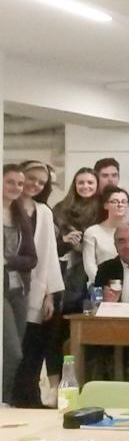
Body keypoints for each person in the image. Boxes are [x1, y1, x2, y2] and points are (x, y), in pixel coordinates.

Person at [12, 161, 64, 408]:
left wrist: (50, 295)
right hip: (10, 289)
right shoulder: (7, 207)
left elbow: (49, 255)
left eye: (41, 182)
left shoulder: (43, 211)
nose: (34, 185)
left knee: (33, 348)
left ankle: (29, 399)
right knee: (13, 349)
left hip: (36, 288)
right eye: (31, 178)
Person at [2, 164, 37, 404]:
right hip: (1, 291)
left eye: (20, 183)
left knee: (16, 354)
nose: (16, 187)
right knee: (12, 351)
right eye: (10, 181)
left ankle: (5, 400)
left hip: (19, 290)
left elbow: (32, 259)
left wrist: (8, 260)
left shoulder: (20, 215)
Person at [52, 167, 101, 313]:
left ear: (97, 185)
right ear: (75, 185)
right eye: (81, 183)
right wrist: (66, 241)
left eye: (90, 182)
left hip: (98, 263)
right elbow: (51, 245)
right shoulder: (61, 208)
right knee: (70, 308)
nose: (86, 186)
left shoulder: (104, 208)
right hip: (69, 267)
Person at [82, 187, 129, 285]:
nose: (120, 205)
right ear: (106, 205)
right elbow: (89, 264)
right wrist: (102, 282)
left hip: (128, 284)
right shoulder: (92, 232)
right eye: (114, 201)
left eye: (123, 202)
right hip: (99, 284)